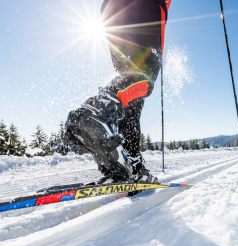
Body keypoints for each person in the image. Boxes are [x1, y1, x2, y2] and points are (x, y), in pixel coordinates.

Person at [65, 0, 172, 182]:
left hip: (112, 10)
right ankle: (99, 109)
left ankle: (132, 163)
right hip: (146, 6)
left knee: (131, 94)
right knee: (144, 77)